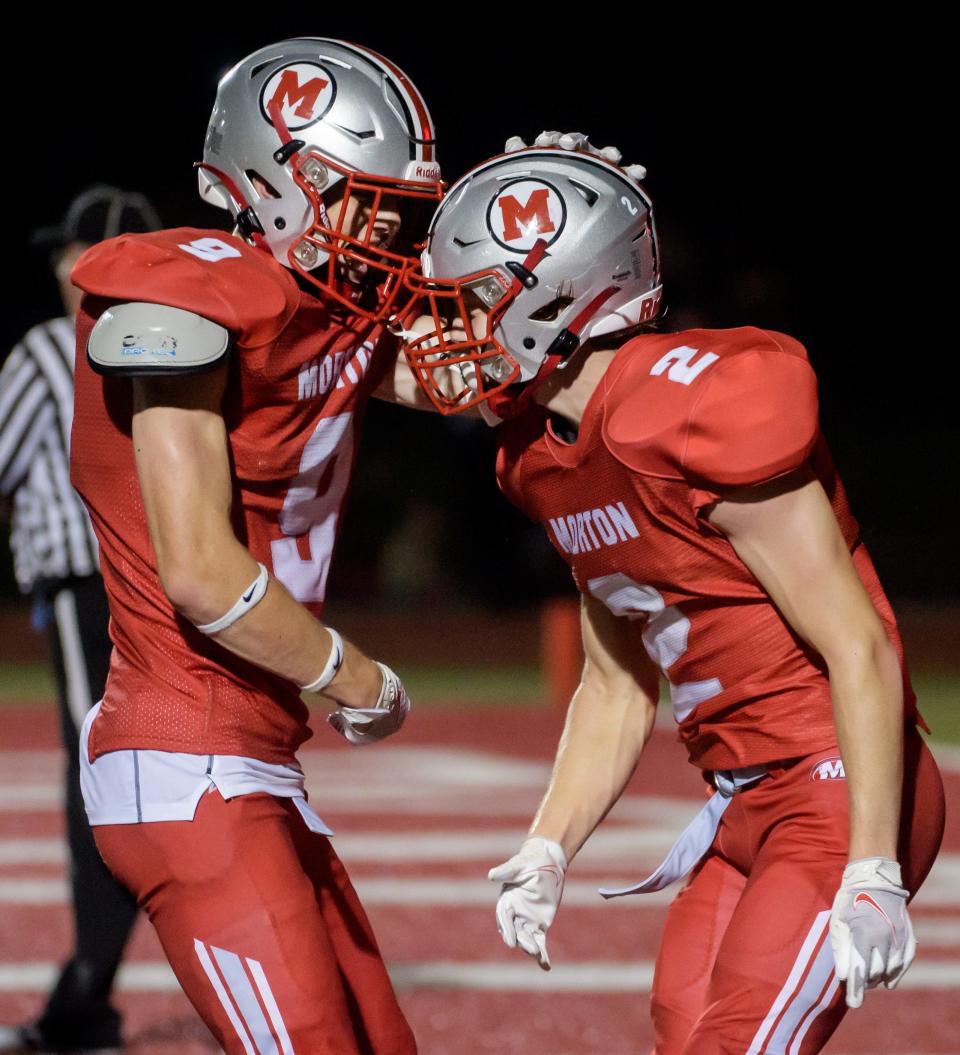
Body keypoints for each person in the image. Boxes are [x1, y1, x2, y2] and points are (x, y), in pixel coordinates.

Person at [401, 135, 945, 1053]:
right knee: (683, 1031)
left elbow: (859, 644)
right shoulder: (543, 456)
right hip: (740, 803)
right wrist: (549, 846)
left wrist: (873, 865)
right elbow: (616, 687)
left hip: (836, 790)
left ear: (554, 302)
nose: (444, 330)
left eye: (470, 299)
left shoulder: (696, 409)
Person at [67, 39, 442, 1055]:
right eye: (366, 202)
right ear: (287, 182)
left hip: (253, 760)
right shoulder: (187, 300)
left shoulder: (318, 309)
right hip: (183, 755)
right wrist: (357, 676)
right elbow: (197, 570)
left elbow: (466, 375)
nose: (386, 232)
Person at [0, 185, 162, 1055]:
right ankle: (89, 989)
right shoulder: (182, 341)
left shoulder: (45, 350)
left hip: (87, 586)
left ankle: (85, 994)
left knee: (94, 783)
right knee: (158, 770)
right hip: (170, 587)